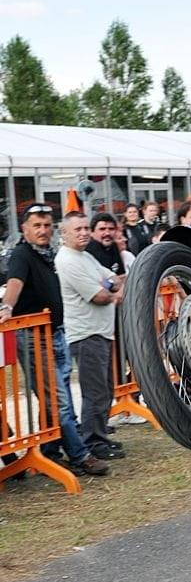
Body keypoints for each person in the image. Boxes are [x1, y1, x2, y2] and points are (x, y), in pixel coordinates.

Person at [0, 204, 109, 476]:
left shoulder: (48, 254)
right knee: (58, 399)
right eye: (37, 225)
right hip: (34, 337)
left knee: (57, 399)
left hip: (57, 332)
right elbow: (14, 282)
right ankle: (79, 455)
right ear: (24, 229)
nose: (43, 230)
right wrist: (6, 307)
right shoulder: (21, 255)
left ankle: (50, 450)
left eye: (47, 225)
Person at [55, 211, 126, 461]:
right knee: (94, 391)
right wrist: (112, 292)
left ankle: (100, 436)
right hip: (86, 333)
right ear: (64, 233)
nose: (84, 233)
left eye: (86, 228)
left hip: (101, 331)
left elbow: (113, 278)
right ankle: (93, 441)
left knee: (105, 388)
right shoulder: (67, 260)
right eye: (78, 229)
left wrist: (111, 287)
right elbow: (100, 295)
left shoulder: (85, 256)